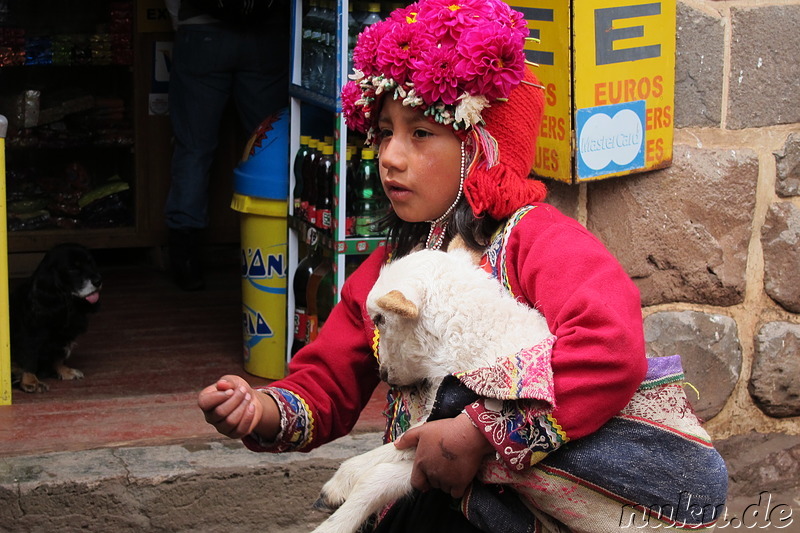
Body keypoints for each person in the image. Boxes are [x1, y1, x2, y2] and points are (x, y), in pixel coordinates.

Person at [198, 0, 728, 530]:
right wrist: (260, 410)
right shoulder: (390, 271)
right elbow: (327, 386)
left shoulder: (538, 241)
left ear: (480, 144)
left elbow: (610, 346)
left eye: (420, 133)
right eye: (385, 132)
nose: (390, 156)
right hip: (423, 507)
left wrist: (480, 432)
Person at [164, 0, 290, 290]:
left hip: (201, 34)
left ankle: (185, 260)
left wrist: (182, 21)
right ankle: (276, 244)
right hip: (265, 36)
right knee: (267, 141)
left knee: (193, 149)